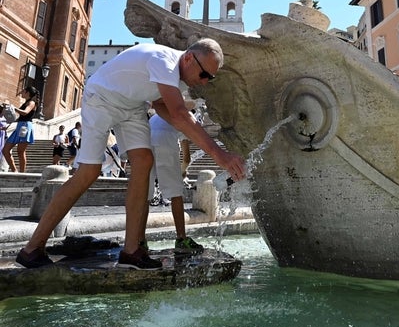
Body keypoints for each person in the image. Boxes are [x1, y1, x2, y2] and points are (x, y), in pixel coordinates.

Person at [16, 39, 246, 270]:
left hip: (132, 106)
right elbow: (177, 113)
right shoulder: (164, 61)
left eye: (210, 78)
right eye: (204, 74)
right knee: (89, 171)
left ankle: (131, 250)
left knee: (144, 160)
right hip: (101, 99)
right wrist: (220, 155)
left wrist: (190, 130)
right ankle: (32, 248)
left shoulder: (179, 77)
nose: (205, 82)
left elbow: (161, 106)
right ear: (188, 58)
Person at [146, 111, 204, 254]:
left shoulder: (156, 115)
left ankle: (139, 240)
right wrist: (182, 172)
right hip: (165, 144)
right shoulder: (185, 114)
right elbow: (186, 159)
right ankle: (181, 238)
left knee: (144, 195)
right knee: (176, 194)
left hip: (145, 143)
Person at [2, 86, 39, 172]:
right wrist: (7, 126)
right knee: (5, 150)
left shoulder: (32, 103)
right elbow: (19, 118)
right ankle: (14, 170)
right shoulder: (26, 102)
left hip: (25, 127)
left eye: (23, 91)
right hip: (20, 126)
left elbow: (25, 113)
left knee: (20, 151)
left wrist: (13, 108)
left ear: (27, 93)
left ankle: (22, 173)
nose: (21, 93)